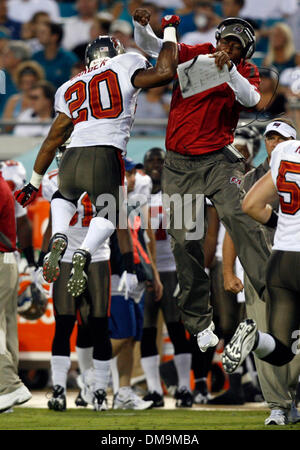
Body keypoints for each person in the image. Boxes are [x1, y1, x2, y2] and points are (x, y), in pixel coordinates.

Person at [133, 10, 271, 353]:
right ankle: (198, 321)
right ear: (217, 38)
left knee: (244, 220)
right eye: (226, 41)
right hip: (179, 166)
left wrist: (231, 71)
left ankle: (275, 296)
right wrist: (142, 26)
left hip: (219, 162)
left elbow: (251, 99)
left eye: (236, 46)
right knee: (183, 242)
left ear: (245, 53)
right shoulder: (194, 53)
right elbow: (154, 48)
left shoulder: (246, 72)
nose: (228, 48)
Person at [14, 27, 178, 307]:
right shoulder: (126, 64)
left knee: (63, 196)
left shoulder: (70, 85)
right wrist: (170, 33)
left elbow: (53, 139)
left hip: (71, 156)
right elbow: (165, 72)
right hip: (105, 152)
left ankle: (60, 235)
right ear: (116, 53)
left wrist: (33, 182)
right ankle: (85, 252)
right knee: (112, 209)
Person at [223, 118, 300, 424]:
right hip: (265, 261)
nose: (273, 142)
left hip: (280, 261)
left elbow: (251, 206)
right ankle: (280, 405)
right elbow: (236, 227)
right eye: (269, 137)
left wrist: (284, 226)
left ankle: (254, 341)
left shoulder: (284, 157)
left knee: (280, 348)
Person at [141, 147, 193, 408]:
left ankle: (184, 388)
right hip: (147, 270)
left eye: (159, 161)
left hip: (171, 268)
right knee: (147, 330)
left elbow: (186, 236)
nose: (155, 165)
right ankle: (154, 390)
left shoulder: (175, 193)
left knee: (175, 327)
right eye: (150, 161)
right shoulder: (135, 195)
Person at [0, 170, 32, 413]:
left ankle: (9, 386)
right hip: (9, 257)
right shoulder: (4, 183)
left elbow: (25, 224)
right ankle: (7, 391)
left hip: (2, 258)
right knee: (7, 326)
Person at [32, 22, 78, 89]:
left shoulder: (69, 59)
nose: (38, 36)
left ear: (54, 37)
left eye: (43, 33)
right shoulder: (36, 57)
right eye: (38, 33)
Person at [2, 60, 45, 133]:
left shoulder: (43, 100)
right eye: (25, 82)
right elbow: (6, 127)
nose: (29, 86)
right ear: (20, 83)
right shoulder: (13, 101)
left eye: (32, 82)